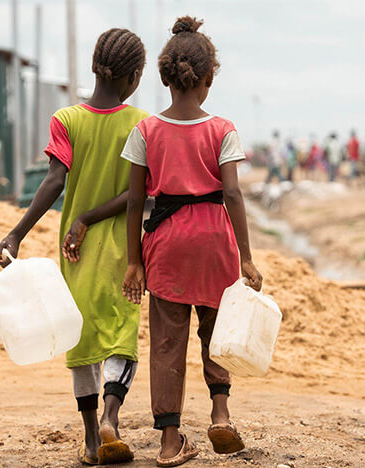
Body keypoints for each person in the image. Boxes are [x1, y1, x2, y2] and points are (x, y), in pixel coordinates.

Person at [0, 28, 148, 466]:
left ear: (94, 68)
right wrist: (94, 218)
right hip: (122, 251)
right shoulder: (141, 124)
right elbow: (138, 194)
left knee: (81, 341)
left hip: (74, 253)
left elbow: (54, 181)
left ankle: (91, 438)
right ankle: (112, 417)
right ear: (134, 77)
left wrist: (17, 233)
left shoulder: (66, 120)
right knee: (120, 336)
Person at [119, 16, 263, 467]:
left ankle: (169, 441)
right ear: (208, 78)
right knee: (217, 331)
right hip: (214, 243)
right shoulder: (222, 130)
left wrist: (133, 262)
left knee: (167, 342)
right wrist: (247, 258)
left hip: (166, 246)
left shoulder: (145, 131)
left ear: (165, 77)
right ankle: (220, 414)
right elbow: (233, 194)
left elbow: (135, 201)